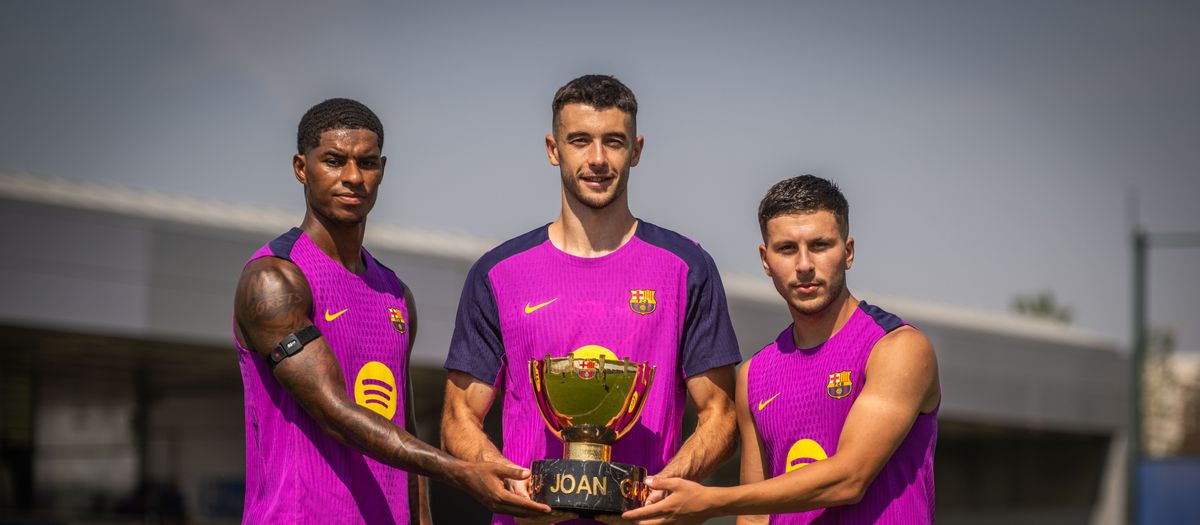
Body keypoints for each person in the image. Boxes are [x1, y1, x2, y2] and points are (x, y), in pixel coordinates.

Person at [441, 75, 742, 525]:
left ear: (636, 150)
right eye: (580, 140)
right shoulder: (498, 272)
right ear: (553, 148)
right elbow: (457, 416)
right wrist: (505, 478)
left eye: (614, 142)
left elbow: (721, 415)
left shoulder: (686, 267)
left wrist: (657, 489)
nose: (597, 159)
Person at [232, 98, 548, 524]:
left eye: (367, 163)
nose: (352, 177)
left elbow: (405, 427)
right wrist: (461, 471)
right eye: (333, 161)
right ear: (301, 168)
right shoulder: (274, 280)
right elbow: (334, 414)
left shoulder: (394, 293)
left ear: (383, 169)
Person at [623, 175, 940, 524]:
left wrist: (712, 501)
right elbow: (756, 518)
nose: (804, 265)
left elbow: (850, 479)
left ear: (848, 252)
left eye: (820, 245)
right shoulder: (754, 375)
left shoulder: (897, 348)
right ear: (766, 260)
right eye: (787, 249)